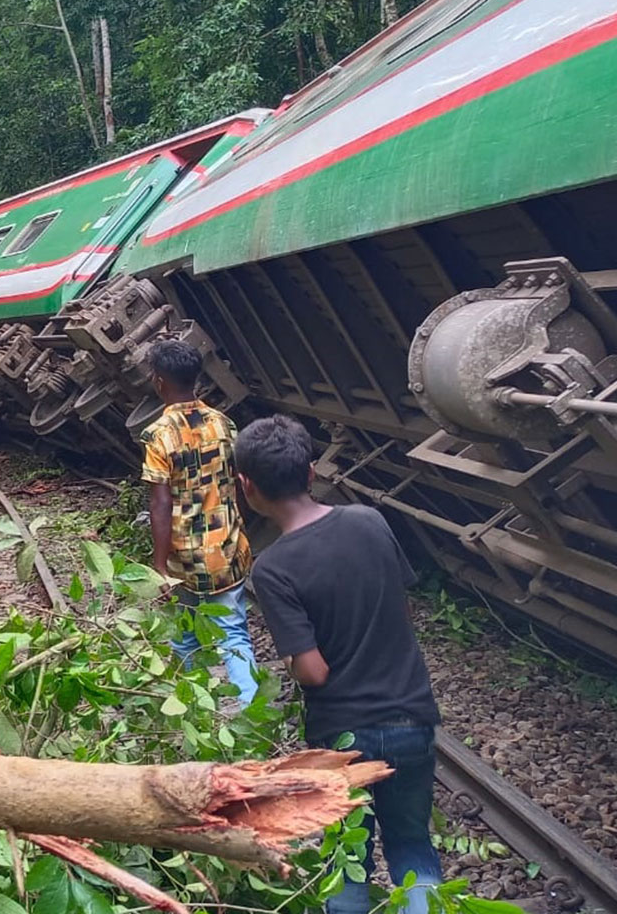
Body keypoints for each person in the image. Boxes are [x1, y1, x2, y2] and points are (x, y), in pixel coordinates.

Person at [235, 414, 442, 914]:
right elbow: (398, 604)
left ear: (246, 487)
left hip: (343, 739)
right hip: (411, 718)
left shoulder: (274, 569)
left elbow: (313, 672)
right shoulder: (368, 520)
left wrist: (288, 660)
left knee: (347, 856)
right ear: (310, 472)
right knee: (412, 843)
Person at [139, 339, 258, 705]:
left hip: (184, 559)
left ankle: (190, 708)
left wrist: (159, 565)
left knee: (184, 633)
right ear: (196, 379)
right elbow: (237, 484)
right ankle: (254, 713)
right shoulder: (224, 424)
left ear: (159, 381)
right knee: (233, 634)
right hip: (227, 552)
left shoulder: (158, 435)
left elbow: (160, 503)